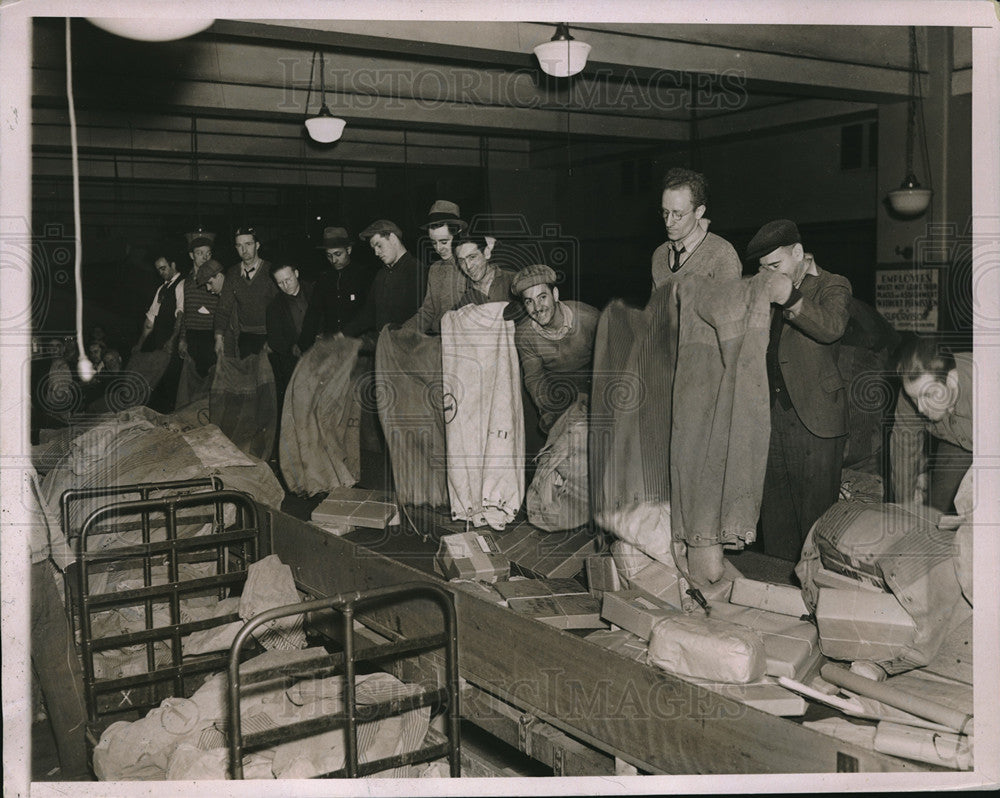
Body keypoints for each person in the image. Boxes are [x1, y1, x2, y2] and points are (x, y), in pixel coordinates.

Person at [747, 219, 852, 562]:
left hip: (816, 421)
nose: (768, 275)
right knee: (776, 527)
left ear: (798, 253)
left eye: (775, 266)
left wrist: (790, 298)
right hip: (771, 419)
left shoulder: (833, 285)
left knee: (816, 527)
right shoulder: (765, 287)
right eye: (762, 269)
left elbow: (832, 327)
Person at [511, 263, 600, 434]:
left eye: (542, 297)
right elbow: (535, 379)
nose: (537, 308)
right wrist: (550, 409)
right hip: (556, 386)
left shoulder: (589, 318)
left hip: (593, 378)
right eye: (529, 301)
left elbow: (610, 361)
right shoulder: (524, 335)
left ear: (555, 294)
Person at [889, 336, 972, 512]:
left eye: (928, 395)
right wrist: (905, 509)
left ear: (951, 379)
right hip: (957, 443)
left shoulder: (985, 384)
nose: (919, 408)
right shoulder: (909, 398)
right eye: (913, 397)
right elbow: (904, 454)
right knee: (935, 512)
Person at [651, 167, 742, 291]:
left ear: (699, 212)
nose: (668, 222)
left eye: (678, 214)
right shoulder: (659, 255)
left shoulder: (722, 254)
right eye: (665, 212)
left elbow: (731, 308)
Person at [341, 219, 424, 342]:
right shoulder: (381, 274)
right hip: (385, 346)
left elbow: (421, 317)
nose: (376, 253)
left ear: (393, 239)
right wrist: (343, 334)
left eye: (379, 245)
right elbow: (369, 313)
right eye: (373, 248)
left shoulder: (417, 271)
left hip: (408, 347)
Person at [402, 200, 470, 333]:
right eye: (434, 243)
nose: (439, 249)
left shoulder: (470, 266)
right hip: (437, 340)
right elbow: (428, 312)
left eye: (444, 242)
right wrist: (404, 331)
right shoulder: (434, 269)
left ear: (458, 233)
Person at [299, 226, 370, 350]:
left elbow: (368, 313)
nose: (333, 260)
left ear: (348, 249)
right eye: (328, 255)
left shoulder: (363, 276)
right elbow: (313, 313)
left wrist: (345, 334)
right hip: (331, 345)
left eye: (338, 254)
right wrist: (304, 344)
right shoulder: (324, 278)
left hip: (358, 344)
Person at [213, 225, 277, 358]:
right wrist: (218, 338)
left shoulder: (271, 271)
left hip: (270, 336)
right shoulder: (232, 273)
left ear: (257, 245)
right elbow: (223, 307)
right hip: (245, 337)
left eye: (248, 244)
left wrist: (274, 339)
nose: (244, 249)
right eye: (239, 245)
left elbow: (281, 308)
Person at [134, 253, 185, 412]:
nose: (161, 272)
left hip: (173, 345)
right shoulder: (161, 289)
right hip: (159, 346)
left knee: (173, 385)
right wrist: (139, 344)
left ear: (173, 265)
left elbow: (181, 315)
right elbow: (150, 321)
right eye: (158, 270)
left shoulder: (182, 284)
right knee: (159, 385)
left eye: (164, 268)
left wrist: (172, 340)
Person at [266, 262, 314, 406]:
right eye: (280, 283)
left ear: (296, 273)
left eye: (288, 280)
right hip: (294, 363)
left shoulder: (315, 292)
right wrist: (292, 348)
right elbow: (274, 340)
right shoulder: (274, 306)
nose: (285, 286)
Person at [177, 230, 221, 378]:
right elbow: (185, 312)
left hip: (211, 335)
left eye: (208, 253)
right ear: (191, 255)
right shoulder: (186, 282)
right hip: (192, 336)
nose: (205, 257)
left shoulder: (217, 279)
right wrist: (183, 338)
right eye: (199, 253)